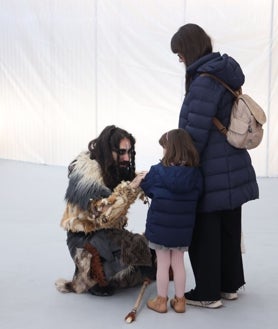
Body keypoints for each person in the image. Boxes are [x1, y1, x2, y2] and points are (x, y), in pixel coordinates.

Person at [170, 23, 259, 308]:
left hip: (211, 167)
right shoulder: (223, 71)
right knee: (230, 224)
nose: (180, 58)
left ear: (190, 48)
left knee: (205, 227)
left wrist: (181, 163)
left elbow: (194, 132)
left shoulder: (203, 81)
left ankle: (208, 293)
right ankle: (229, 286)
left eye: (180, 52)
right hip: (233, 162)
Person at [55, 125, 156, 296]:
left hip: (107, 233)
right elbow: (103, 215)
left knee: (144, 256)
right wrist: (130, 189)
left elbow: (129, 183)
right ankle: (91, 276)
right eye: (122, 152)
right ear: (108, 150)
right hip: (85, 239)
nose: (126, 157)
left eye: (129, 152)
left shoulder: (113, 167)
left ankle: (97, 276)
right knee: (135, 250)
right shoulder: (87, 176)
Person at [133, 129, 203, 313]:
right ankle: (180, 302)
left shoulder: (157, 172)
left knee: (163, 264)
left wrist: (141, 179)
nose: (163, 151)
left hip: (160, 228)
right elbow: (198, 193)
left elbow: (148, 190)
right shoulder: (195, 174)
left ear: (170, 148)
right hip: (183, 229)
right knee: (179, 263)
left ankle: (161, 301)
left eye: (164, 147)